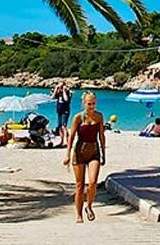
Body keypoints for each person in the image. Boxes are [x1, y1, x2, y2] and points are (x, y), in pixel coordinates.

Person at [64, 92, 106, 224]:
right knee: (80, 185)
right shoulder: (78, 118)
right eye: (89, 104)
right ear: (84, 104)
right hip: (79, 152)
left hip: (94, 150)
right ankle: (79, 214)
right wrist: (67, 154)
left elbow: (101, 135)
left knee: (93, 182)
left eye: (93, 103)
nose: (92, 106)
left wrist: (103, 152)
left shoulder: (99, 116)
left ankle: (89, 206)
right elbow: (71, 137)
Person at [53, 83, 73, 148]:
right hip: (59, 111)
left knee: (64, 126)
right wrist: (56, 89)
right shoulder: (58, 93)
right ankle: (61, 141)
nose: (60, 88)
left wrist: (64, 91)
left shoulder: (68, 92)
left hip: (65, 111)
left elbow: (66, 99)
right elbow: (52, 97)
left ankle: (67, 142)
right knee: (59, 127)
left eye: (61, 87)